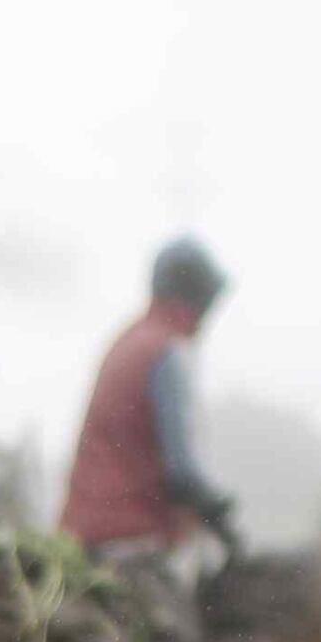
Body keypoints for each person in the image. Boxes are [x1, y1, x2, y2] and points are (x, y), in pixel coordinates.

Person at [58, 235, 238, 561]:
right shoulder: (167, 352)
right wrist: (219, 515)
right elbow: (181, 474)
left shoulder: (129, 340)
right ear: (195, 296)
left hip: (81, 537)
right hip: (130, 539)